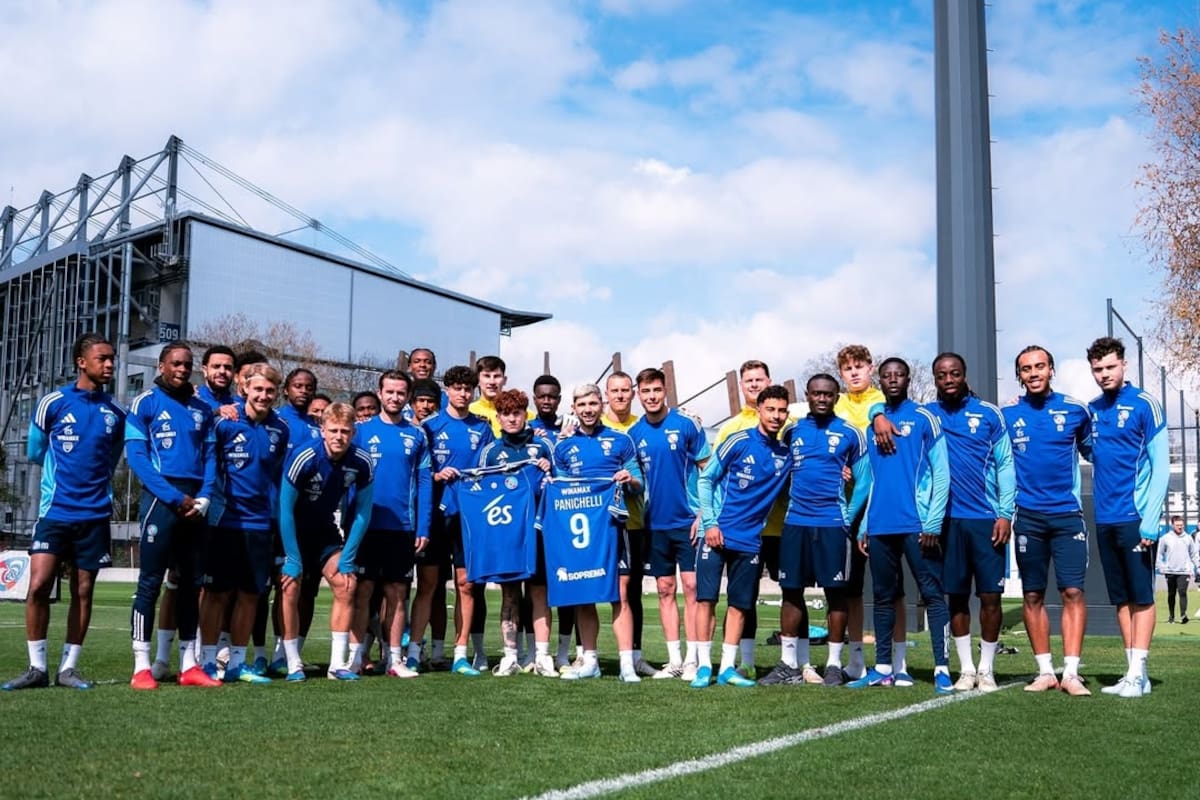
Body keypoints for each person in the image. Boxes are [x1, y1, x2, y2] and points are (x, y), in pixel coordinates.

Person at [2, 333, 126, 691]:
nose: (110, 364)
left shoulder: (116, 412)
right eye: (102, 358)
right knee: (39, 585)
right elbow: (35, 451)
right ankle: (36, 668)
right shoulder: (52, 403)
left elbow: (112, 457)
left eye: (112, 358)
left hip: (95, 514)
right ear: (81, 362)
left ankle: (68, 669)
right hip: (55, 511)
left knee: (83, 590)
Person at [848, 358, 951, 693]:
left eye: (899, 375)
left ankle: (942, 668)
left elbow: (942, 473)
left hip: (917, 525)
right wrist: (864, 524)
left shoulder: (924, 418)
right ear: (880, 380)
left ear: (908, 379)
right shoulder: (872, 425)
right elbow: (872, 480)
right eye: (887, 375)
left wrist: (933, 521)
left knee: (932, 594)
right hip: (880, 526)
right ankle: (882, 668)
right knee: (882, 597)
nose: (893, 379)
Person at [761, 374, 871, 687]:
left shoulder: (850, 433)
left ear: (837, 397)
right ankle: (788, 664)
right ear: (807, 396)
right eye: (816, 393)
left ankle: (834, 664)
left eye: (828, 394)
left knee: (836, 593)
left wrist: (848, 517)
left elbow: (865, 480)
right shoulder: (791, 431)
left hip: (833, 525)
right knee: (791, 591)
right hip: (795, 523)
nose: (822, 398)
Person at [125, 342, 220, 690]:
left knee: (192, 584)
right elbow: (137, 458)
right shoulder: (145, 403)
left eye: (187, 364)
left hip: (196, 504)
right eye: (176, 363)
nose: (182, 369)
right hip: (161, 500)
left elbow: (211, 456)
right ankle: (141, 666)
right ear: (161, 366)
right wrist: (174, 497)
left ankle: (189, 664)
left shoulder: (202, 409)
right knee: (150, 583)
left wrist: (205, 496)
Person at [1001, 345, 1093, 696]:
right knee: (1032, 594)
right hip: (1028, 516)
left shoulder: (1075, 410)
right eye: (1026, 369)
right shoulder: (1007, 415)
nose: (1034, 373)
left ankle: (1071, 673)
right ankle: (1044, 672)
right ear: (1019, 375)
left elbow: (1097, 451)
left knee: (1072, 591)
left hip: (1068, 515)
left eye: (1040, 366)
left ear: (1051, 369)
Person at [926, 353, 1014, 693]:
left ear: (964, 375)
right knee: (957, 597)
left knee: (990, 597)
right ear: (935, 379)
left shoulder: (989, 414)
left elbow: (1005, 464)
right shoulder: (927, 416)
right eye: (941, 375)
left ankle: (987, 669)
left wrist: (1005, 513)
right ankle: (965, 669)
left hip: (986, 520)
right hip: (947, 522)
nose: (948, 379)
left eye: (954, 373)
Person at [693, 384, 792, 689]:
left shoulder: (786, 454)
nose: (776, 416)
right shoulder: (738, 441)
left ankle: (726, 668)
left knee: (739, 605)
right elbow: (706, 479)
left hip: (750, 541)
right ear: (758, 410)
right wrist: (710, 523)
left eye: (782, 411)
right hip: (717, 534)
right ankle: (703, 666)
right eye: (770, 409)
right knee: (706, 600)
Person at [1087, 336, 1169, 698]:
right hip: (1105, 518)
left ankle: (1138, 673)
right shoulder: (1092, 409)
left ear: (1124, 365)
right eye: (1097, 369)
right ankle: (1134, 672)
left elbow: (1161, 467)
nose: (1104, 374)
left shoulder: (1145, 405)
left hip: (1136, 518)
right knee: (1121, 599)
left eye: (1110, 367)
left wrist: (1151, 520)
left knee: (1142, 597)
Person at [200, 363, 290, 684]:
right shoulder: (225, 422)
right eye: (258, 389)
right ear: (245, 389)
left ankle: (237, 664)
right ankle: (207, 662)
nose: (264, 395)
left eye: (270, 390)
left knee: (251, 595)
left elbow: (276, 477)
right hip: (225, 522)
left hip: (260, 525)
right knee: (217, 594)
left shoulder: (281, 429)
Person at [553, 383, 644, 681]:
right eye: (582, 405)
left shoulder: (621, 440)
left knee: (620, 594)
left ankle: (626, 664)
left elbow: (639, 483)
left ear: (602, 405)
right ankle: (590, 661)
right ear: (574, 408)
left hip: (615, 528)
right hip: (583, 533)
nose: (588, 410)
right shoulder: (563, 447)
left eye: (593, 404)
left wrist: (629, 478)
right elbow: (560, 490)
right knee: (584, 594)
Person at [278, 402, 375, 681]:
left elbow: (363, 512)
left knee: (347, 583)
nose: (339, 437)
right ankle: (293, 663)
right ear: (323, 430)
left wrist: (348, 558)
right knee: (290, 586)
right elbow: (285, 509)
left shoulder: (361, 461)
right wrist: (292, 557)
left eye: (345, 431)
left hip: (324, 532)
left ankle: (337, 665)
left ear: (353, 432)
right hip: (293, 531)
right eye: (333, 430)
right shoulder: (305, 456)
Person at [629, 367, 711, 681]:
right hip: (654, 525)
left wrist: (704, 514)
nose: (651, 396)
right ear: (639, 394)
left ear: (665, 391)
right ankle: (674, 660)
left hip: (688, 522)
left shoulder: (687, 424)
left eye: (656, 390)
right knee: (665, 589)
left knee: (692, 587)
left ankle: (692, 659)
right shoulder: (634, 434)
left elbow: (708, 471)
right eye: (645, 391)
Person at [834, 343, 908, 683]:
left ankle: (899, 662)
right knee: (850, 589)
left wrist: (879, 414)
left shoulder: (883, 402)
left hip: (883, 506)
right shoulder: (836, 405)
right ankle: (856, 661)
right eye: (847, 368)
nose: (853, 373)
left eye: (859, 367)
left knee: (892, 590)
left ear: (870, 368)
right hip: (844, 509)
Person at [471, 388, 555, 676]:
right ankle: (510, 656)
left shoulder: (542, 447)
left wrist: (548, 470)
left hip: (539, 531)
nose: (511, 419)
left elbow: (558, 485)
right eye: (505, 414)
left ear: (525, 415)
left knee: (539, 592)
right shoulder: (491, 452)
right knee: (510, 594)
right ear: (498, 418)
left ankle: (542, 655)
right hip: (505, 533)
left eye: (517, 413)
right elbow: (479, 493)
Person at [353, 370, 432, 679]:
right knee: (363, 591)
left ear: (407, 397)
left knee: (398, 593)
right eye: (390, 392)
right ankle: (356, 658)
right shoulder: (360, 431)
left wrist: (423, 527)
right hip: (366, 525)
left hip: (402, 526)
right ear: (380, 393)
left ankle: (394, 659)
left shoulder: (417, 435)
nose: (395, 397)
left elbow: (424, 483)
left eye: (401, 393)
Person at [419, 365, 495, 675]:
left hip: (469, 519)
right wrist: (437, 475)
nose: (463, 394)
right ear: (447, 390)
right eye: (457, 388)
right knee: (428, 584)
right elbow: (419, 471)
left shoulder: (483, 427)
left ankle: (460, 654)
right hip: (436, 516)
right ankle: (416, 652)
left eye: (468, 389)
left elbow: (491, 470)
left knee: (466, 584)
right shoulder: (429, 426)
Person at [713, 360, 780, 679]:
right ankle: (746, 661)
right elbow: (712, 475)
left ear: (769, 381)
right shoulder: (731, 428)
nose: (754, 384)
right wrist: (707, 517)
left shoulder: (785, 422)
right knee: (744, 597)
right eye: (749, 380)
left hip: (781, 527)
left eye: (759, 379)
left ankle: (800, 662)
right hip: (740, 530)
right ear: (741, 386)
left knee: (792, 591)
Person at [1159, 516, 1199, 624]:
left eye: (1181, 525)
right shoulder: (1166, 538)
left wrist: (1198, 567)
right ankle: (1171, 616)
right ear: (1172, 525)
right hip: (1170, 571)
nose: (1180, 527)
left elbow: (1194, 554)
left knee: (1182, 592)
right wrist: (1161, 566)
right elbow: (1160, 553)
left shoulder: (1188, 538)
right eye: (1177, 525)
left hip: (1184, 571)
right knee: (1171, 593)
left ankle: (1183, 615)